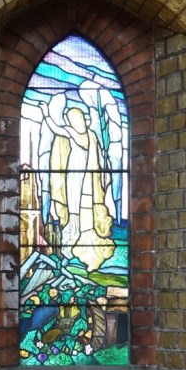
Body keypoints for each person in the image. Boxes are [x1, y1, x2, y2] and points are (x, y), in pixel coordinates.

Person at [40, 93, 114, 272]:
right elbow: (56, 129)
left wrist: (105, 172)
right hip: (74, 175)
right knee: (73, 208)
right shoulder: (79, 133)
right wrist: (46, 114)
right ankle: (70, 245)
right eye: (72, 120)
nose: (74, 122)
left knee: (82, 209)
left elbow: (100, 159)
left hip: (85, 177)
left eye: (75, 119)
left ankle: (80, 246)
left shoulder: (90, 136)